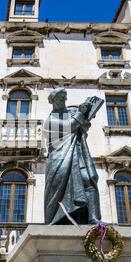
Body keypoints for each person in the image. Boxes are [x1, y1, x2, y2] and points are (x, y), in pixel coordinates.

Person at [44, 87, 102, 225]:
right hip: (61, 159)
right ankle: (63, 217)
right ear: (53, 101)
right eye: (60, 97)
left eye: (65, 97)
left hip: (78, 154)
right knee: (63, 188)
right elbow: (70, 126)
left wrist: (88, 111)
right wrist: (81, 113)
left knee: (89, 180)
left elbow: (83, 126)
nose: (64, 99)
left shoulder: (70, 112)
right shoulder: (51, 119)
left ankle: (93, 217)